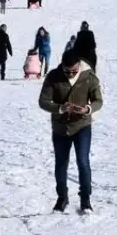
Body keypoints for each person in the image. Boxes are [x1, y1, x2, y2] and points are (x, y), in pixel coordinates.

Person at [38, 50, 104, 214]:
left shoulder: (89, 77)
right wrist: (59, 108)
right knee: (61, 164)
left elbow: (98, 100)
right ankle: (62, 198)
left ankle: (85, 199)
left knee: (83, 162)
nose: (70, 74)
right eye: (67, 71)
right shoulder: (54, 76)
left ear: (79, 66)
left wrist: (87, 109)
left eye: (74, 71)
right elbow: (43, 101)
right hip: (60, 128)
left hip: (82, 125)